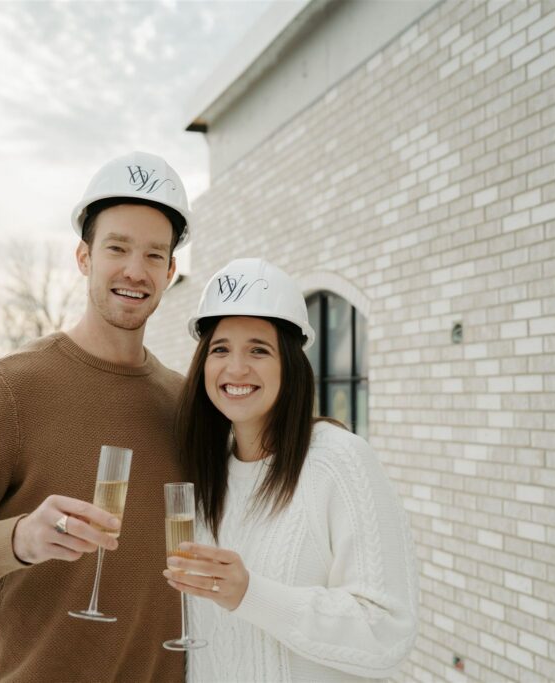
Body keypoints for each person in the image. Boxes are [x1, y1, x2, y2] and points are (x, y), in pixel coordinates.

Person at [0, 151, 191, 682]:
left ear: (169, 271)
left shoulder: (183, 401)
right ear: (84, 257)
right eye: (117, 248)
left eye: (153, 255)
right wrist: (20, 540)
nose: (133, 270)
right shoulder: (11, 386)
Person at [163, 258, 418, 681]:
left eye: (258, 350)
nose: (236, 368)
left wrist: (251, 594)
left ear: (290, 365)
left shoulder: (340, 461)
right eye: (220, 348)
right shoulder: (208, 472)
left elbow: (387, 631)